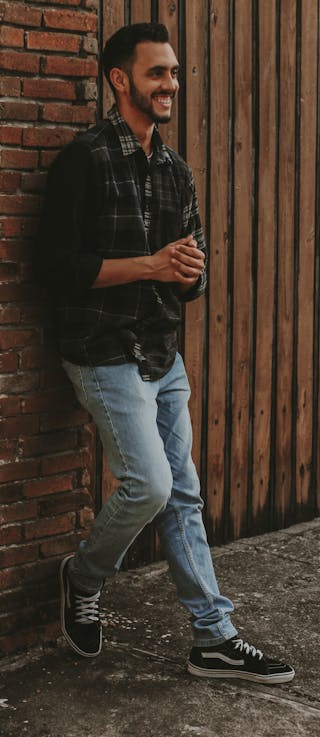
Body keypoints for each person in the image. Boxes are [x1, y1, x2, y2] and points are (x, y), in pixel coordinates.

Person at [35, 22, 294, 685]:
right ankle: (84, 575)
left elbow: (193, 273)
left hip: (161, 352)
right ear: (119, 80)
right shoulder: (84, 160)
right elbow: (60, 270)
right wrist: (151, 264)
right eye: (157, 73)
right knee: (149, 486)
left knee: (182, 495)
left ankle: (213, 636)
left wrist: (186, 272)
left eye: (175, 73)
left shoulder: (176, 169)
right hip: (101, 351)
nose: (171, 84)